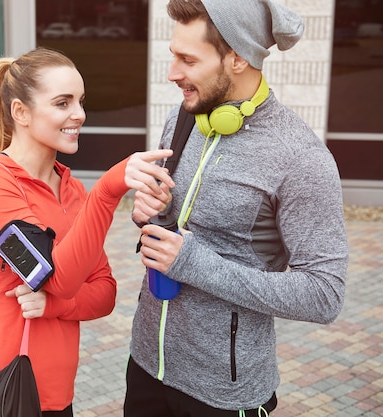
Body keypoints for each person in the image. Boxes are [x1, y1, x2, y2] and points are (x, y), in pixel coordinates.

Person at [125, 1, 349, 416]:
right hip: (146, 365)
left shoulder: (300, 158)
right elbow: (172, 223)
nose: (172, 73)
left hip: (225, 393)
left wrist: (194, 264)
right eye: (174, 55)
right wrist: (150, 211)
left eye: (187, 60)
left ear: (238, 58)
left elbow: (324, 295)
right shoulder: (184, 116)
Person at [0, 47, 175, 416]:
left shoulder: (71, 190)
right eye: (62, 103)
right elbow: (52, 276)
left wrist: (54, 306)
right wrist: (107, 190)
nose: (79, 114)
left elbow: (104, 293)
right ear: (20, 112)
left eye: (81, 101)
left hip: (57, 399)